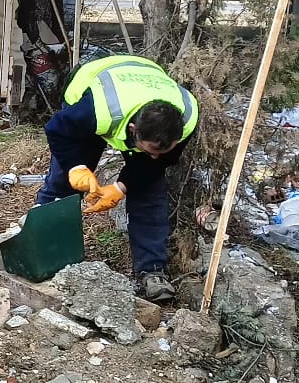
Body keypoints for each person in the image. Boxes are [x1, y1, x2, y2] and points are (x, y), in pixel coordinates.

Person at [35, 54, 198, 302]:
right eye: (151, 150)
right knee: (62, 183)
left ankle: (152, 270)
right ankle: (45, 249)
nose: (155, 157)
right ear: (133, 131)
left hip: (143, 82)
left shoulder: (186, 117)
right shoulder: (94, 110)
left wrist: (121, 187)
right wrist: (76, 167)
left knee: (150, 192)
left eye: (162, 150)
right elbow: (57, 130)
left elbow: (159, 162)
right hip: (89, 85)